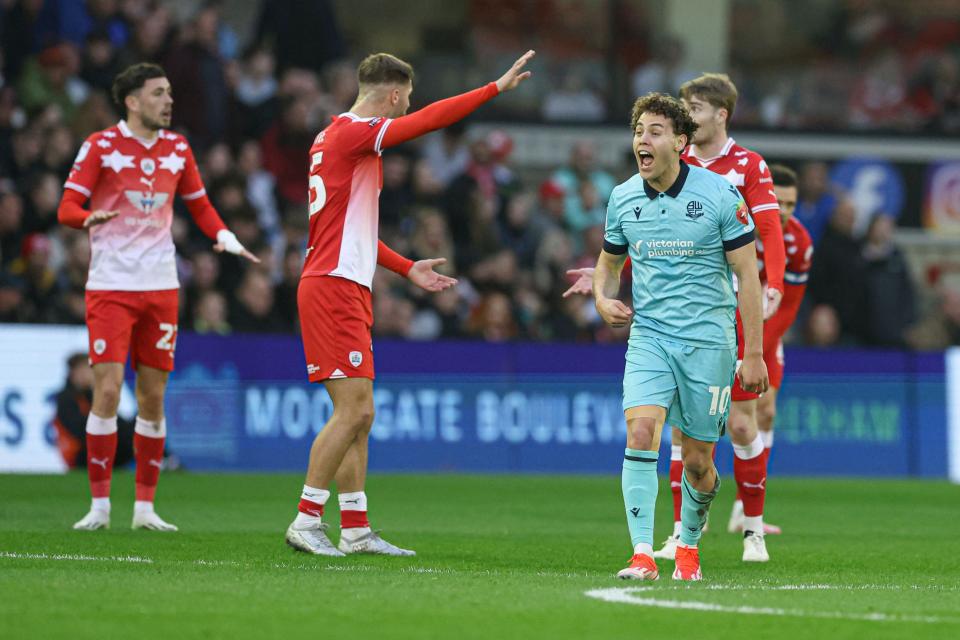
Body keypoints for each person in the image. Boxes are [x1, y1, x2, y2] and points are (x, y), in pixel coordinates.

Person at [285, 50, 535, 557]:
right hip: (333, 284)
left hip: (344, 280)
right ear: (395, 94)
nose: (408, 108)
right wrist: (492, 88)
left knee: (360, 414)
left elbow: (353, 229)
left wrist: (406, 268)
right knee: (353, 410)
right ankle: (307, 519)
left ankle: (354, 527)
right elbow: (428, 121)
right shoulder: (354, 132)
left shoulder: (337, 140)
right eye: (407, 99)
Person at [563, 74, 785, 563]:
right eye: (639, 130)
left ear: (680, 143)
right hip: (650, 337)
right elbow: (608, 262)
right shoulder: (623, 197)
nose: (643, 139)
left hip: (709, 341)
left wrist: (752, 352)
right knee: (641, 433)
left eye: (655, 131)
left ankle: (690, 540)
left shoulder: (721, 196)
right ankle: (642, 553)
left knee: (700, 460)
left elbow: (748, 276)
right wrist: (602, 299)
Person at [58, 62, 259, 532]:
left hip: (162, 287)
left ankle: (145, 509)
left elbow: (200, 205)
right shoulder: (101, 146)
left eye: (169, 93)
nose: (168, 101)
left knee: (153, 398)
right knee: (106, 391)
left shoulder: (178, 148)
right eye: (158, 94)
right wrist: (84, 218)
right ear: (131, 101)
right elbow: (67, 205)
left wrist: (224, 236)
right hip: (110, 286)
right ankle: (100, 507)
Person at [725, 164, 813, 535]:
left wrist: (756, 347)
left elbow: (790, 305)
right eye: (779, 200)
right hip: (721, 322)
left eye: (792, 204)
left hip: (764, 332)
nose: (785, 210)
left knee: (766, 411)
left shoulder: (799, 243)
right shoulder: (733, 221)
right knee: (717, 418)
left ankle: (744, 509)